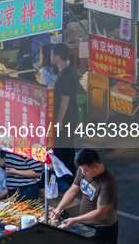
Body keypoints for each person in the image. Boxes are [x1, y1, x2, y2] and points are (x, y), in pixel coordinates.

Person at [51, 148, 118, 244]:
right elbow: (73, 191)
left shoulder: (108, 184)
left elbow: (100, 212)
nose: (82, 173)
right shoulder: (83, 168)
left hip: (103, 228)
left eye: (85, 170)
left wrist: (76, 219)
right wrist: (59, 208)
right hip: (86, 223)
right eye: (81, 169)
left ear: (96, 167)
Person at [51, 42, 78, 183]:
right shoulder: (66, 71)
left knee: (64, 147)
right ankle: (67, 176)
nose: (50, 56)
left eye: (52, 54)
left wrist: (59, 120)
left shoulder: (65, 76)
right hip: (69, 116)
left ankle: (68, 179)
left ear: (58, 56)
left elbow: (65, 101)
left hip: (67, 118)